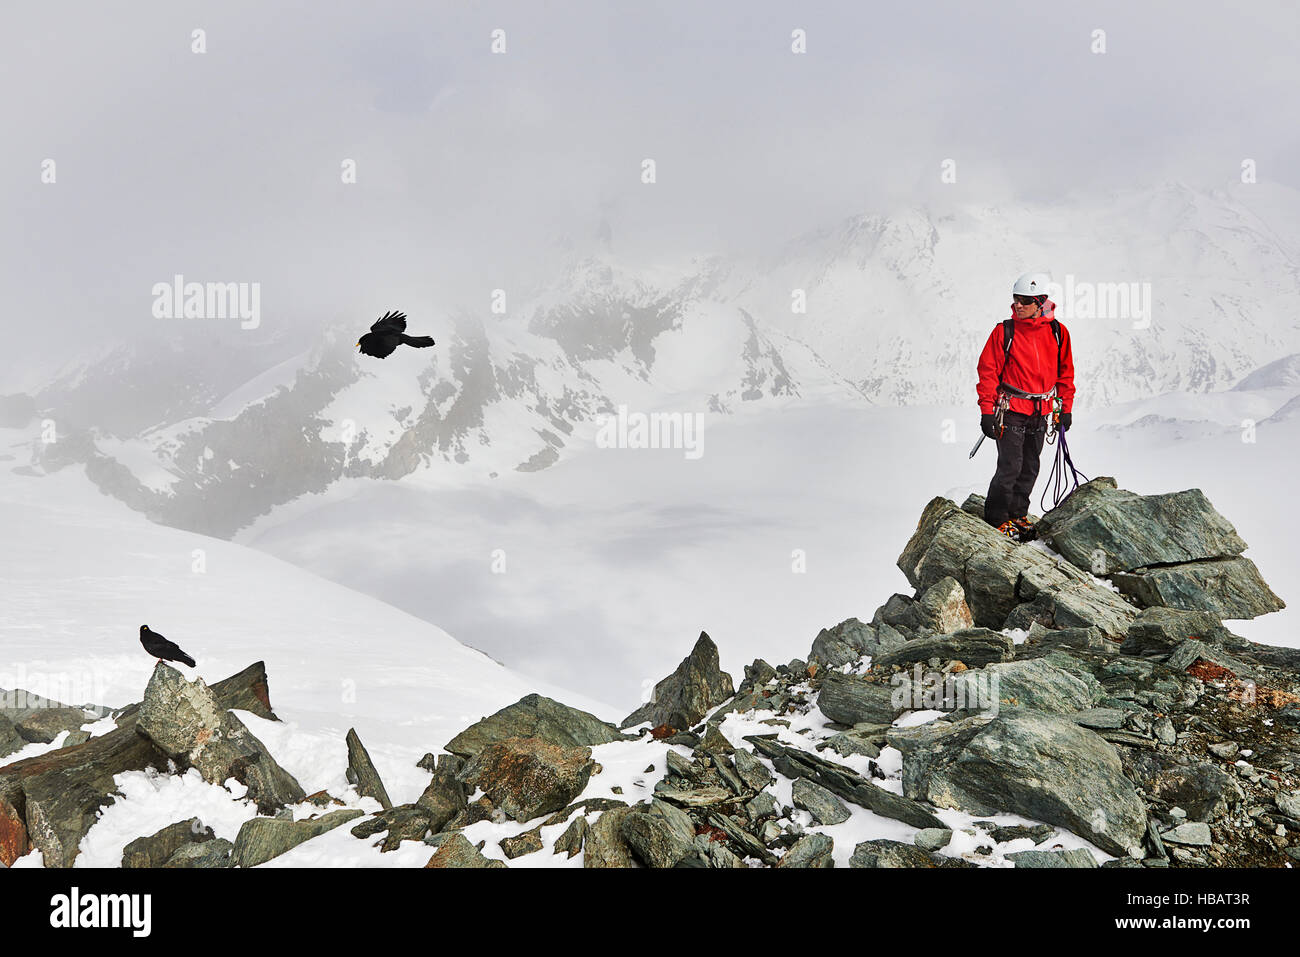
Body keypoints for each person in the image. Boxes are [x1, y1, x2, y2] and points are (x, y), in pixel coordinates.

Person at [976, 272, 1075, 540]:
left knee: (1030, 465)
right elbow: (987, 373)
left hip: (1041, 411)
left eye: (1025, 300)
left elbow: (1065, 374)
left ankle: (1018, 514)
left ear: (1041, 302)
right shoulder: (1004, 332)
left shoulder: (1057, 333)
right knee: (1010, 465)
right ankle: (998, 519)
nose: (1018, 305)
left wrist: (1064, 408)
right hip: (1010, 410)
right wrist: (987, 412)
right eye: (1016, 299)